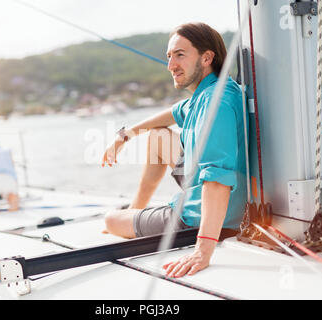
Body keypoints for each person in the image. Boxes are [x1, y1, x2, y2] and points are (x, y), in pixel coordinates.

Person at [101, 22, 248, 278]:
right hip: (211, 196)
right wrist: (125, 136)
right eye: (169, 57)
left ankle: (131, 217)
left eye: (180, 55)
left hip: (197, 216)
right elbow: (169, 114)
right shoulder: (208, 93)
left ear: (206, 58)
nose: (171, 66)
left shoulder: (216, 102)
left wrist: (203, 249)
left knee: (111, 220)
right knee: (158, 136)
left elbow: (217, 180)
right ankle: (138, 208)